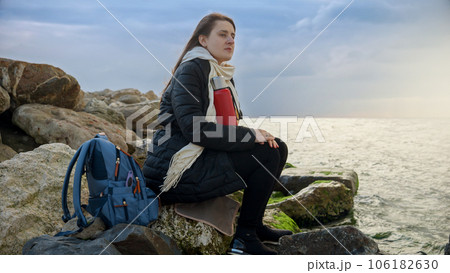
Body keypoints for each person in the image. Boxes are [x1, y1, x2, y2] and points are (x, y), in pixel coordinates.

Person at [143, 12, 291, 255]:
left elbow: (227, 126)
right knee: (265, 154)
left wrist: (253, 134)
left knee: (277, 147)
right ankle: (243, 240)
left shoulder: (219, 74)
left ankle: (254, 226)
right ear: (202, 40)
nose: (231, 40)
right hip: (175, 168)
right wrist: (250, 136)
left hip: (200, 155)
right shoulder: (191, 70)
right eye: (223, 35)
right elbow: (195, 130)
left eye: (233, 36)